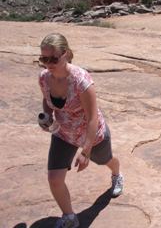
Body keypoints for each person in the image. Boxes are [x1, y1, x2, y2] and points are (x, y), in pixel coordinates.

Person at [38, 33, 124, 228]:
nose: (48, 63)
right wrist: (46, 115)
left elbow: (92, 117)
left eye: (53, 58)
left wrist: (86, 151)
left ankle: (117, 174)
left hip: (90, 134)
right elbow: (47, 100)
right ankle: (69, 217)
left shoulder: (80, 79)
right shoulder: (44, 78)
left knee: (105, 160)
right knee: (54, 178)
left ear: (66, 54)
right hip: (64, 133)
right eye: (44, 59)